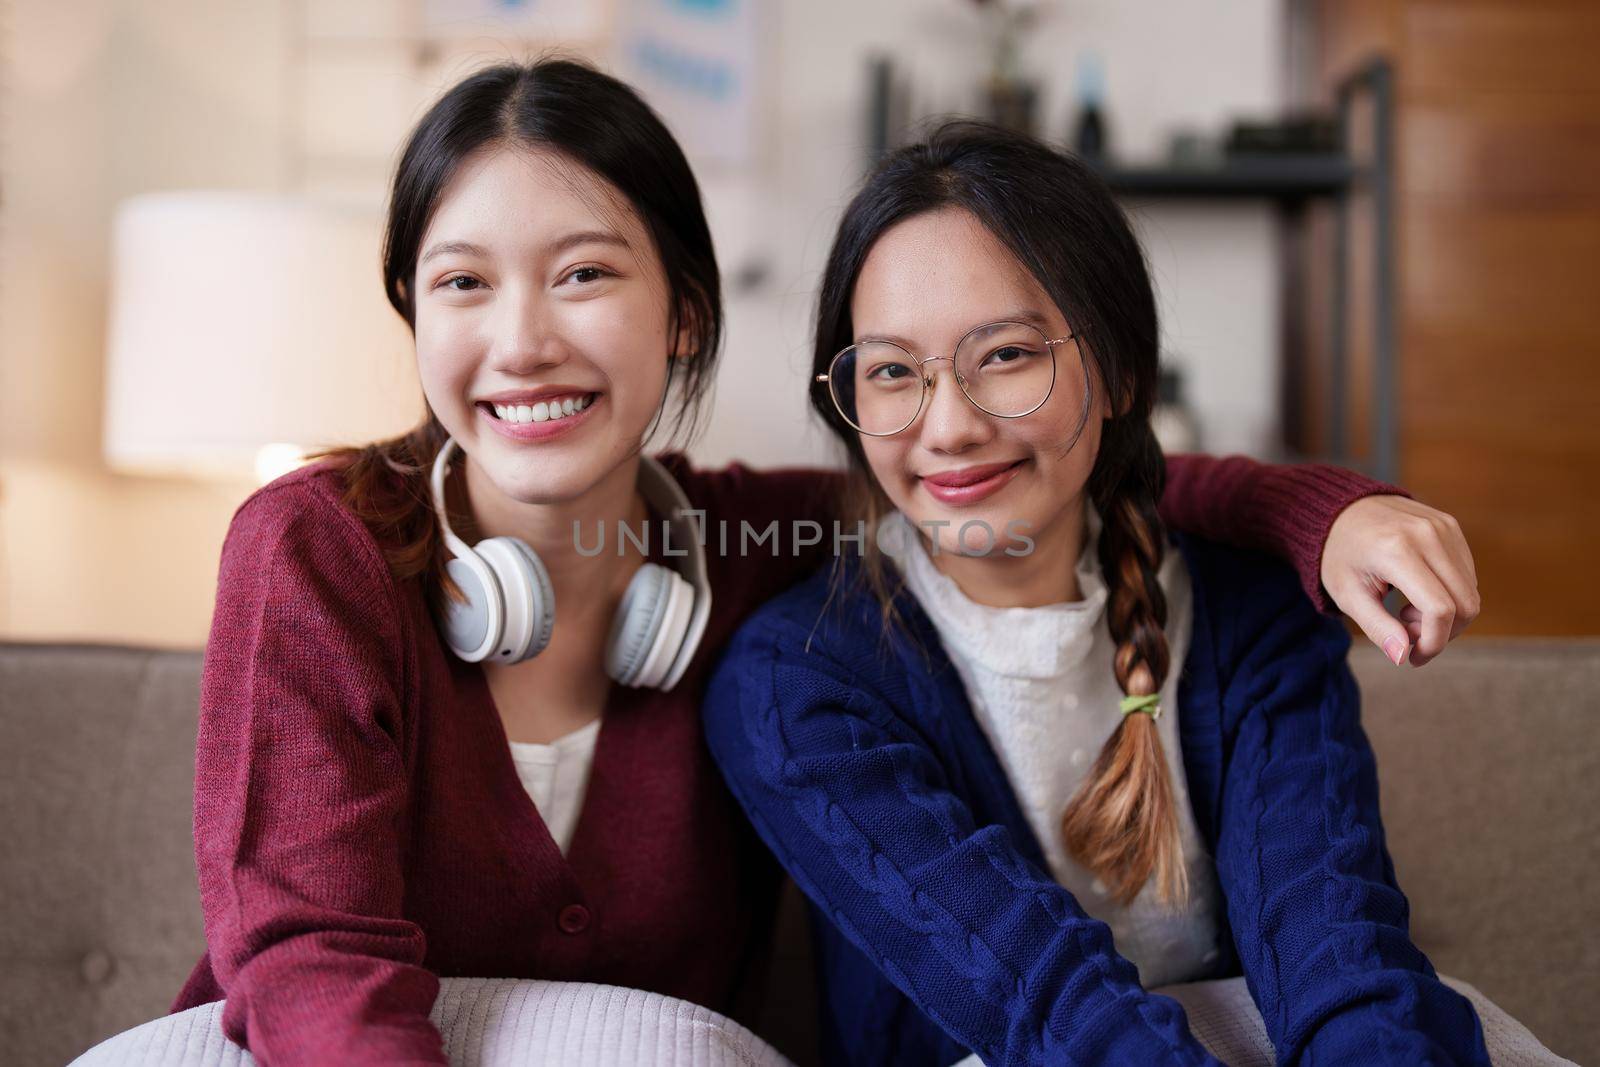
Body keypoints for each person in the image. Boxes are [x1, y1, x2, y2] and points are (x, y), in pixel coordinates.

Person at [169, 61, 1479, 1065]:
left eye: (581, 273)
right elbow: (308, 950)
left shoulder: (758, 540)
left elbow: (1045, 485)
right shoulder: (316, 546)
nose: (521, 339)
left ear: (686, 314)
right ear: (411, 309)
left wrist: (1324, 514)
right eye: (461, 284)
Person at [701, 120, 1524, 1066]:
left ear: (1123, 370)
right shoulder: (795, 683)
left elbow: (1339, 956)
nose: (950, 426)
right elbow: (1052, 1012)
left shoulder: (1248, 616)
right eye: (891, 371)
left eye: (1005, 354)